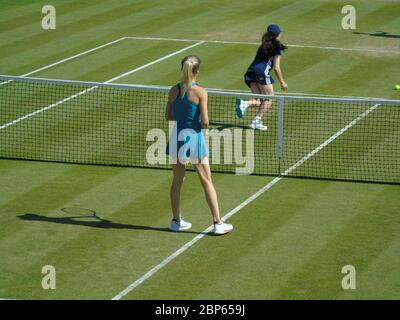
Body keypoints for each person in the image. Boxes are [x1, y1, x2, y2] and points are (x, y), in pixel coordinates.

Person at [165, 55, 233, 235]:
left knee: (177, 181)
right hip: (193, 138)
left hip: (177, 138)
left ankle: (176, 221)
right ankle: (218, 223)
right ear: (197, 72)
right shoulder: (201, 92)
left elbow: (169, 116)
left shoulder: (173, 90)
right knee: (206, 181)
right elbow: (205, 121)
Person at [236, 24, 288, 131]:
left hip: (250, 72)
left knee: (259, 99)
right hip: (261, 73)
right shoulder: (277, 48)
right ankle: (247, 107)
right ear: (277, 35)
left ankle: (254, 118)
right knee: (269, 98)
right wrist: (282, 82)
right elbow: (277, 68)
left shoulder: (263, 45)